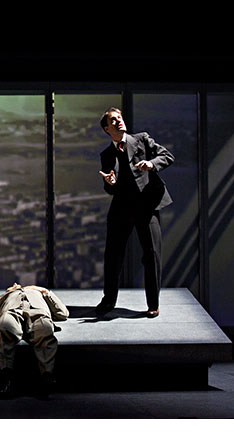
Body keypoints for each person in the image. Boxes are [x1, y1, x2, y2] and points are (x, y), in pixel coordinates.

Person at [97, 107, 175, 318]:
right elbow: (109, 188)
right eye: (113, 120)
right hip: (121, 208)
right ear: (107, 128)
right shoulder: (106, 154)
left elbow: (167, 155)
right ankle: (108, 301)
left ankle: (153, 304)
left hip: (146, 206)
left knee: (152, 254)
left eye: (119, 117)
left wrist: (151, 163)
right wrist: (110, 183)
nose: (118, 121)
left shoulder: (141, 139)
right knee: (112, 256)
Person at [0, 283, 69, 399]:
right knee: (3, 328)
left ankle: (46, 376)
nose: (16, 285)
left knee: (44, 330)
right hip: (11, 311)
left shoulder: (38, 293)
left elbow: (63, 313)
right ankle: (7, 377)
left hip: (38, 312)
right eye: (13, 285)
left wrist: (44, 291)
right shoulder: (7, 295)